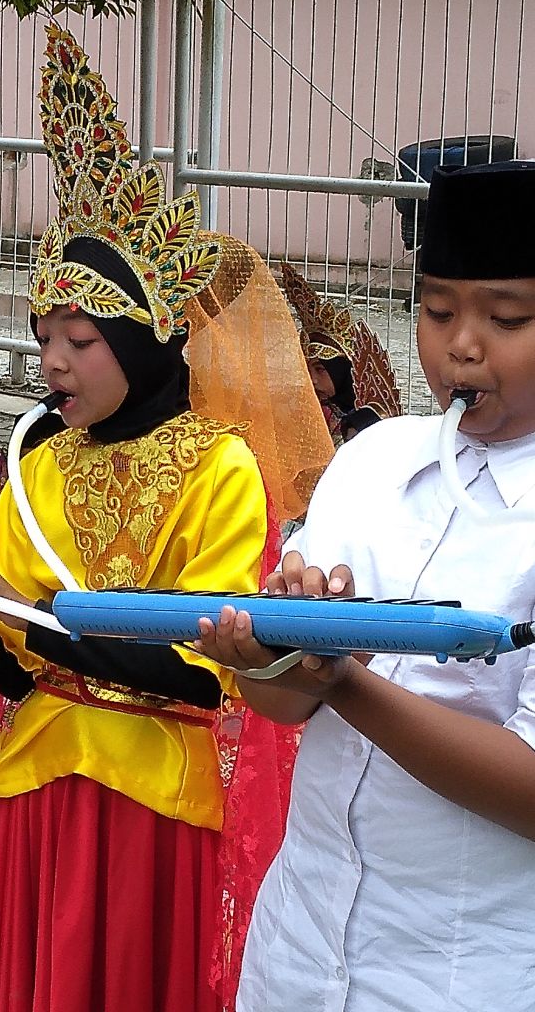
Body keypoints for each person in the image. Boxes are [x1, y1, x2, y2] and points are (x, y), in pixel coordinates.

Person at [0, 25, 333, 1012]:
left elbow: (199, 665)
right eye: (42, 337)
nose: (52, 363)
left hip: (152, 808)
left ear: (143, 341)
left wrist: (37, 609)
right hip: (32, 790)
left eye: (80, 339)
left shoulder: (219, 464)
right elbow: (9, 655)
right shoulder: (48, 464)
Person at [196, 161, 535, 1011]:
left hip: (460, 973)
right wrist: (269, 653)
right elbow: (284, 707)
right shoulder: (374, 462)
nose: (461, 344)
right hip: (299, 954)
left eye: (506, 318)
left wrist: (344, 678)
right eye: (437, 310)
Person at [279, 262, 402, 444]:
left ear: (342, 371)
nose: (311, 379)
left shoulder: (369, 422)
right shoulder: (305, 412)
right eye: (306, 369)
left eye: (320, 369)